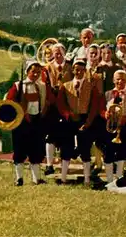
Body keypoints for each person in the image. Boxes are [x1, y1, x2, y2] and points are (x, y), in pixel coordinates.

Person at [6, 61, 54, 186]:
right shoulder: (18, 85)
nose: (36, 74)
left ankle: (36, 178)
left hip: (36, 121)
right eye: (33, 72)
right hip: (21, 122)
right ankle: (19, 178)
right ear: (27, 72)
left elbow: (48, 100)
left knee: (36, 150)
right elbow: (9, 101)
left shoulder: (42, 86)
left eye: (38, 72)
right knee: (19, 150)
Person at [56, 60, 101, 186]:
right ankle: (63, 178)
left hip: (84, 119)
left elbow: (94, 106)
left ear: (85, 71)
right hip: (69, 120)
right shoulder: (65, 86)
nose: (79, 72)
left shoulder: (91, 86)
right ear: (73, 70)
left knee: (85, 148)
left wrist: (88, 122)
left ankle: (87, 179)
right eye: (76, 69)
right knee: (66, 148)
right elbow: (61, 104)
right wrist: (67, 115)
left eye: (81, 70)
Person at [41, 43, 72, 175]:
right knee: (50, 135)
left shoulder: (70, 67)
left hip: (67, 104)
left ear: (64, 53)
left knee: (66, 135)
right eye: (55, 52)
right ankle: (49, 164)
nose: (57, 55)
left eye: (60, 52)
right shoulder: (47, 68)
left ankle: (65, 164)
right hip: (52, 105)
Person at [100, 70, 126, 183]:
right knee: (108, 152)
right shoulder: (107, 94)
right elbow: (101, 109)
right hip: (110, 127)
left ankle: (119, 178)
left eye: (123, 79)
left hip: (124, 127)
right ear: (113, 80)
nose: (120, 81)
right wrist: (105, 114)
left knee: (122, 152)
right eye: (118, 79)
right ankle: (109, 179)